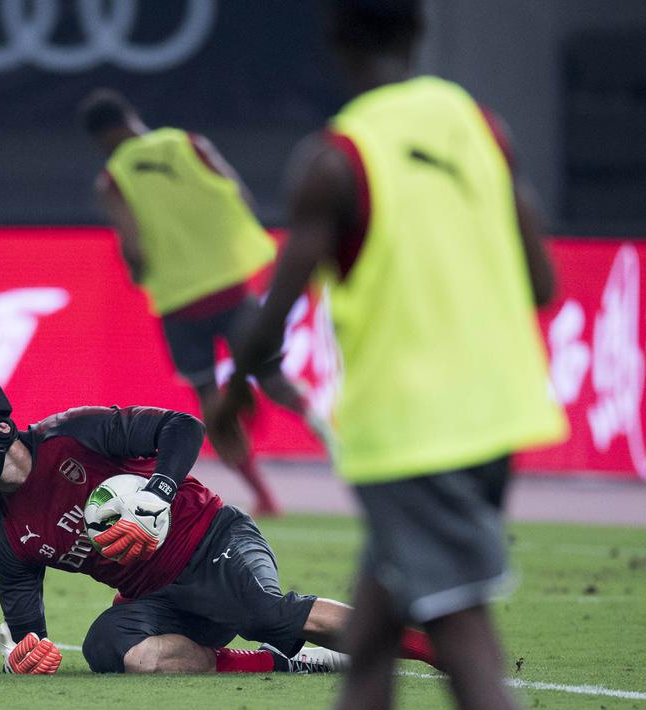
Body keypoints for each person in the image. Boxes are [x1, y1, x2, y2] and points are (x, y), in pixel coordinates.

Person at [211, 1, 569, 707]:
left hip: (410, 433)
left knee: (460, 631)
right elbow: (542, 280)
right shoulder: (480, 127)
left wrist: (228, 397)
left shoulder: (335, 160)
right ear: (417, 33)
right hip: (498, 416)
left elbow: (268, 321)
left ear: (336, 43)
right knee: (373, 634)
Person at [0, 379, 441, 676]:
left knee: (264, 613)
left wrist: (159, 493)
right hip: (156, 599)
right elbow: (30, 637)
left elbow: (183, 427)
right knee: (109, 650)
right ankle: (285, 664)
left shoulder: (74, 434)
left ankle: (436, 649)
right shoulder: (7, 536)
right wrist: (25, 654)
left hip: (216, 541)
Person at [80, 89, 330, 518]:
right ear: (132, 116)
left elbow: (135, 249)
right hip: (230, 288)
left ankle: (265, 497)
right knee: (274, 378)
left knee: (209, 397)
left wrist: (141, 274)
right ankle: (340, 450)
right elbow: (238, 196)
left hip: (179, 302)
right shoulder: (189, 144)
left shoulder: (112, 180)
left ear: (101, 137)